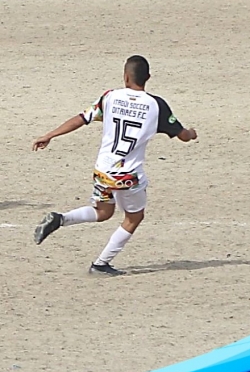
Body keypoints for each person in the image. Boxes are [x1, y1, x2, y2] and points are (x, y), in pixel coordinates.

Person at [31, 55, 197, 276]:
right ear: (148, 77)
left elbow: (81, 118)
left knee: (103, 212)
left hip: (103, 171)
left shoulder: (109, 97)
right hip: (128, 176)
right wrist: (191, 133)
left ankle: (60, 219)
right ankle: (101, 264)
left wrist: (50, 135)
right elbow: (182, 135)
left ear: (126, 77)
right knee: (134, 218)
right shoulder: (156, 106)